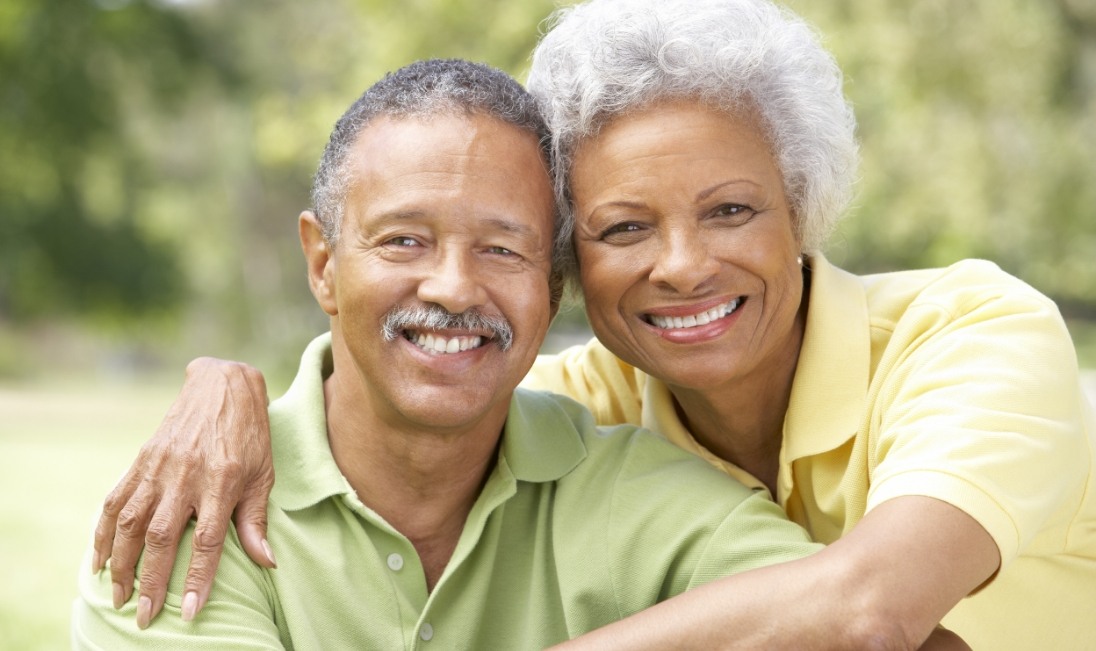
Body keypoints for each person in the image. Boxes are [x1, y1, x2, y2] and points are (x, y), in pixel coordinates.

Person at [92, 0, 1096, 649]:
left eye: (731, 210)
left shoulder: (970, 332)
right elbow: (415, 370)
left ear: (803, 209)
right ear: (571, 264)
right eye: (623, 226)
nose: (682, 264)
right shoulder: (576, 412)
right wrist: (222, 384)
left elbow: (875, 613)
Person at [73, 58, 828, 649]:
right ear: (323, 264)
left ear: (553, 284)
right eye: (405, 239)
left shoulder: (645, 496)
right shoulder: (185, 509)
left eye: (502, 248)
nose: (454, 287)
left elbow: (890, 631)